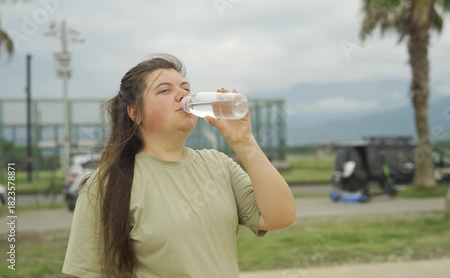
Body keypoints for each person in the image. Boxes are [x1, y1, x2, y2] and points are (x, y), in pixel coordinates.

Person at [62, 54, 296, 278]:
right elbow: (86, 274)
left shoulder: (219, 165)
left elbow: (280, 216)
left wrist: (245, 143)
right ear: (135, 113)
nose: (183, 96)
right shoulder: (107, 184)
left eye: (185, 89)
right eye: (165, 90)